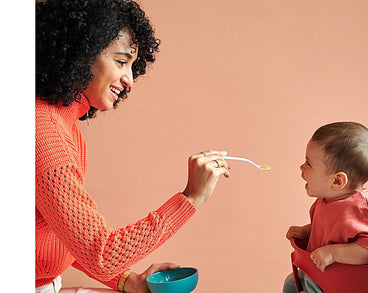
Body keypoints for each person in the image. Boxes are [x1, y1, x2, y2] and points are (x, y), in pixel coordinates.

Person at [35, 1, 230, 292]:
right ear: (81, 52)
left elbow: (66, 238)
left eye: (132, 65)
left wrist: (129, 281)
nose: (129, 80)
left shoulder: (65, 130)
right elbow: (101, 254)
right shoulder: (45, 136)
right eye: (121, 61)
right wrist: (192, 196)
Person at [282, 122, 368, 293]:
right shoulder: (329, 199)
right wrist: (307, 231)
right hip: (318, 273)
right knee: (290, 284)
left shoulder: (359, 210)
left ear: (337, 181)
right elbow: (334, 229)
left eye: (308, 164)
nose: (301, 167)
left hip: (337, 283)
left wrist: (333, 253)